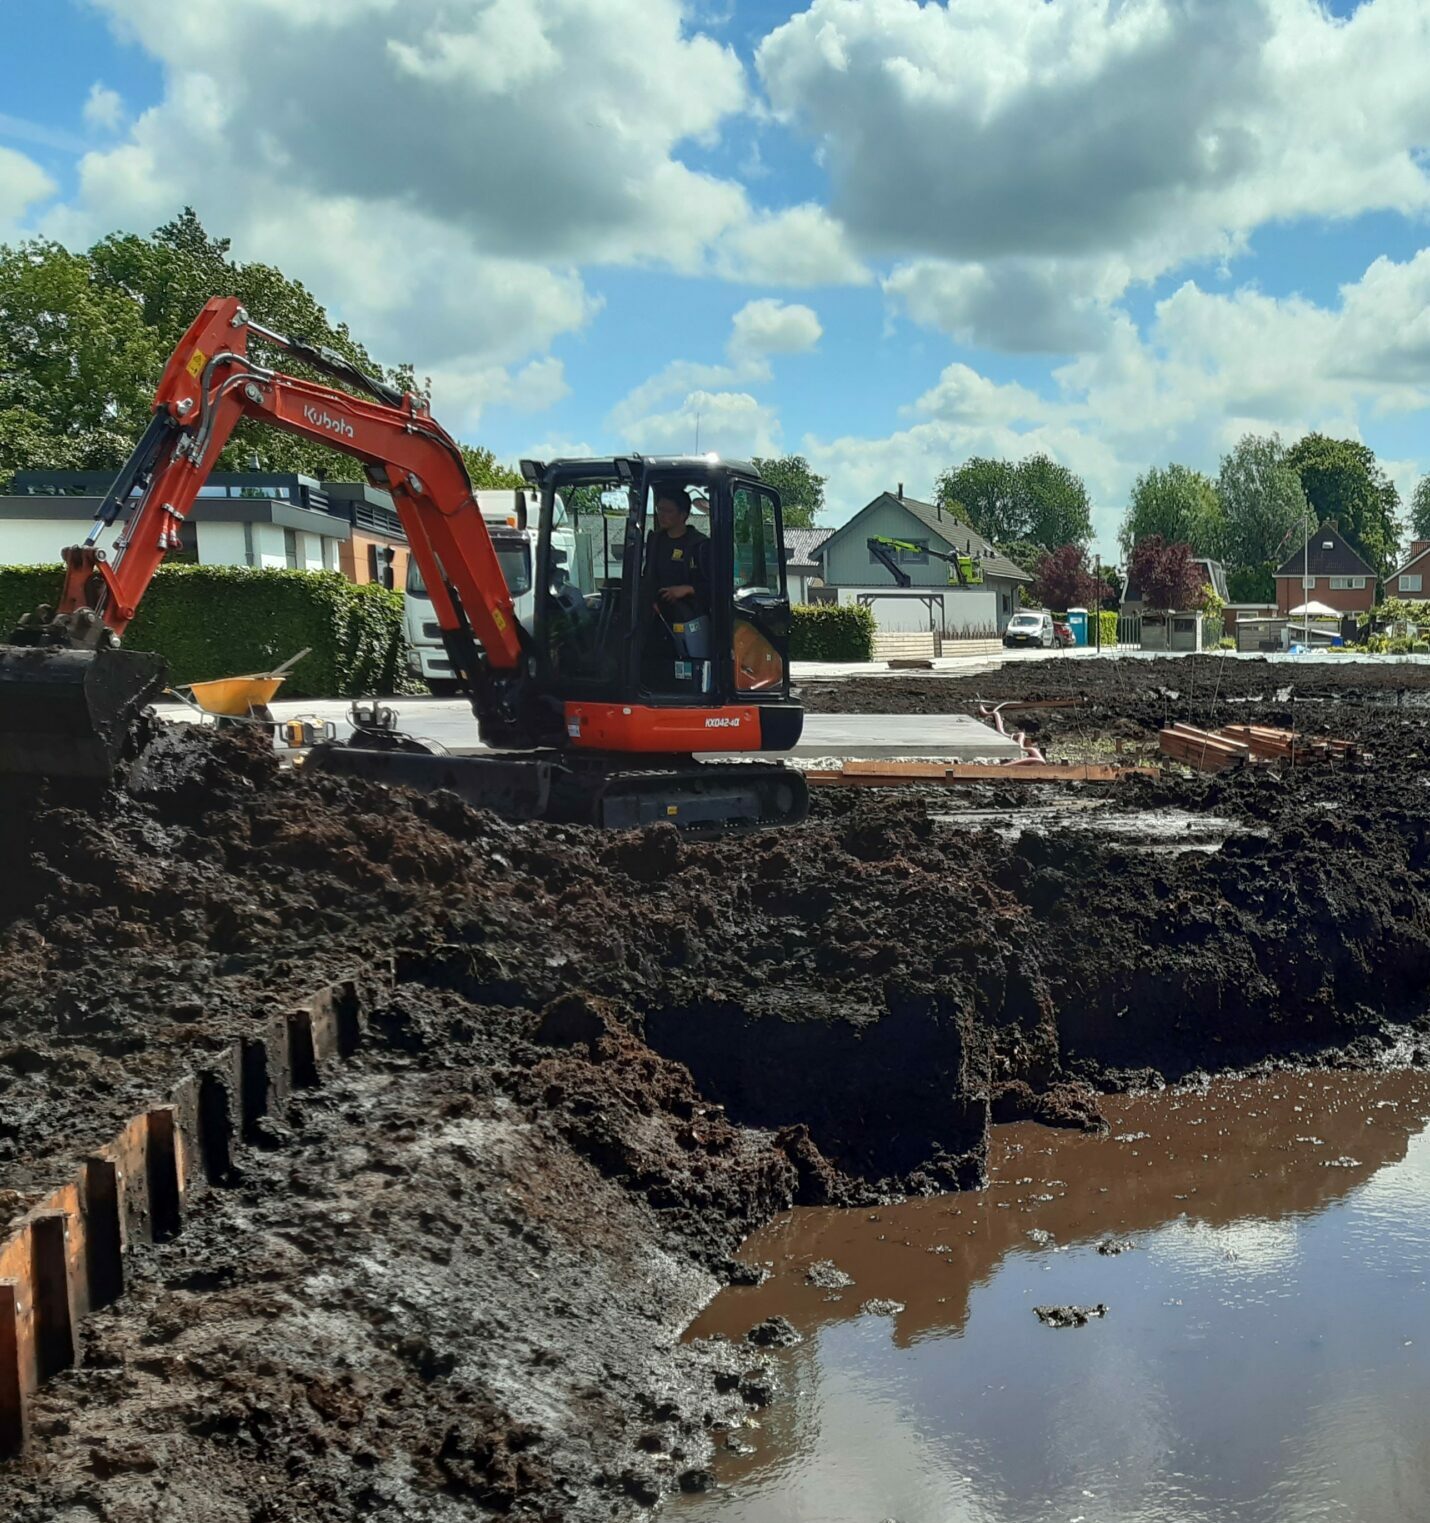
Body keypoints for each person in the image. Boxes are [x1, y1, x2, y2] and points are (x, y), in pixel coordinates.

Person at [649, 487, 708, 619]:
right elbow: (648, 577)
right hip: (658, 614)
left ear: (683, 515)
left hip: (690, 616)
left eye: (668, 511)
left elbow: (715, 587)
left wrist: (687, 589)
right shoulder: (654, 541)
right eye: (660, 509)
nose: (662, 515)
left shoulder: (700, 545)